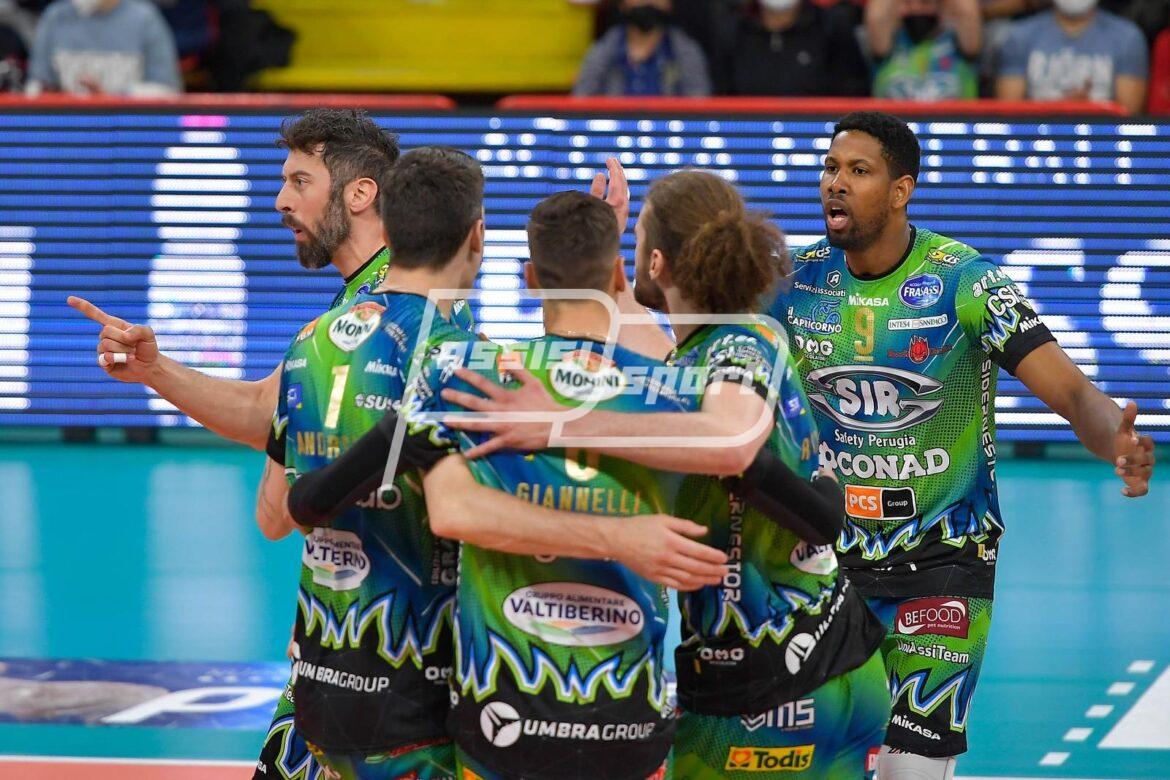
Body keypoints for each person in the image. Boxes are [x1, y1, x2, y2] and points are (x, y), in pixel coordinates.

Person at [434, 171, 891, 779]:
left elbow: (731, 440)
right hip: (814, 660)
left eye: (638, 239)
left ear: (656, 262)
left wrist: (558, 424)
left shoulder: (738, 345)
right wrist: (600, 258)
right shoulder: (711, 347)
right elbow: (626, 339)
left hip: (778, 683)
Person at [763, 111, 1154, 777]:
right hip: (826, 563)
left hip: (943, 558)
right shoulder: (794, 284)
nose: (835, 183)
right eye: (830, 168)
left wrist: (1111, 434)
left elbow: (1070, 392)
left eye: (858, 171)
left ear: (900, 191)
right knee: (820, 763)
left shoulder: (966, 283)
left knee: (908, 769)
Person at [67, 108, 415, 780]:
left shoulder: (375, 317)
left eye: (299, 181)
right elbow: (264, 410)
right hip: (349, 632)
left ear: (360, 193)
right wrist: (154, 371)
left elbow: (276, 512)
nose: (281, 200)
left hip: (371, 651)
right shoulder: (363, 302)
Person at [995, 0, 1148, 113]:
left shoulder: (1127, 37)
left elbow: (1129, 114)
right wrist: (1064, 108)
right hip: (1037, 138)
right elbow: (1009, 111)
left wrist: (1087, 110)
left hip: (1101, 139)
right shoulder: (1019, 36)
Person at [710, 0, 869, 97]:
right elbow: (718, 96)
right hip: (746, 137)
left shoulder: (832, 28)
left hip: (818, 135)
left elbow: (854, 95)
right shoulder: (732, 31)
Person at [26, 0, 181, 95]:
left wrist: (112, 98)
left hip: (127, 131)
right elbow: (36, 86)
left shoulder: (145, 18)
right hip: (69, 129)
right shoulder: (55, 17)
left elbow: (167, 91)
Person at [573, 0, 711, 97]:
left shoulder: (686, 52)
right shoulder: (602, 51)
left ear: (669, 4)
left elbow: (699, 107)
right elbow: (581, 103)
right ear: (622, 4)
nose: (647, 2)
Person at [866, 0, 983, 100]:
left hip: (956, 119)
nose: (916, 9)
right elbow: (877, 14)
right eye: (907, 2)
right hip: (894, 119)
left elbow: (968, 11)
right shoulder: (889, 44)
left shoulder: (958, 43)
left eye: (925, 2)